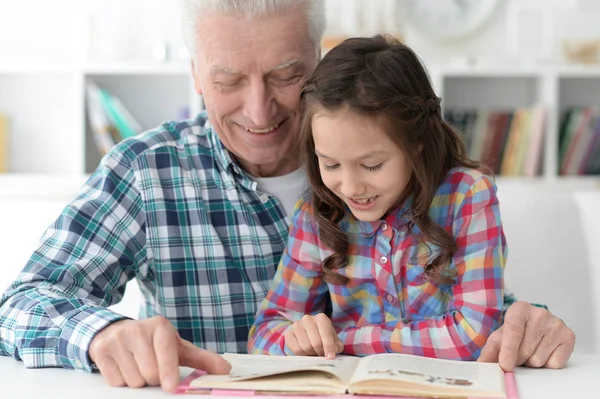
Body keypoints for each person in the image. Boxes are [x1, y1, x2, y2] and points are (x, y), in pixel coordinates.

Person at [0, 0, 575, 393]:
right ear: (196, 74)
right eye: (228, 80)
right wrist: (103, 332)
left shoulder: (400, 169)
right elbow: (19, 306)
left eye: (285, 74)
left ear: (322, 61)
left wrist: (529, 323)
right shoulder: (147, 172)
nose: (260, 110)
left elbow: (454, 300)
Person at [248, 35, 506, 360]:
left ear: (416, 143)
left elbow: (474, 335)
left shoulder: (467, 196)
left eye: (372, 165)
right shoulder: (316, 216)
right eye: (331, 164)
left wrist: (349, 340)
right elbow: (264, 334)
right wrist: (296, 339)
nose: (351, 187)